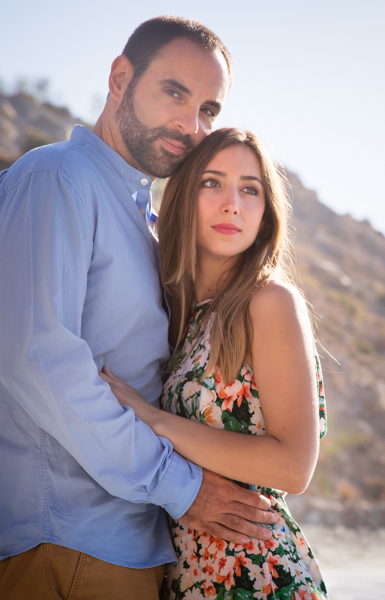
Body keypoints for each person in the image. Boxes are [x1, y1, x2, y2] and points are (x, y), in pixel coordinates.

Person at [0, 17, 277, 600]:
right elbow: (41, 360)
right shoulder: (56, 178)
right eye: (175, 92)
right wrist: (183, 488)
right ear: (120, 77)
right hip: (61, 542)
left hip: (121, 544)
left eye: (209, 107)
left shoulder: (140, 217)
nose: (192, 124)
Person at [100, 128, 328, 598]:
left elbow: (293, 467)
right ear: (183, 197)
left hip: (257, 574)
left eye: (250, 189)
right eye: (212, 183)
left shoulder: (269, 302)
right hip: (188, 574)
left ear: (265, 214)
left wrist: (156, 421)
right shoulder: (181, 316)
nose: (233, 204)